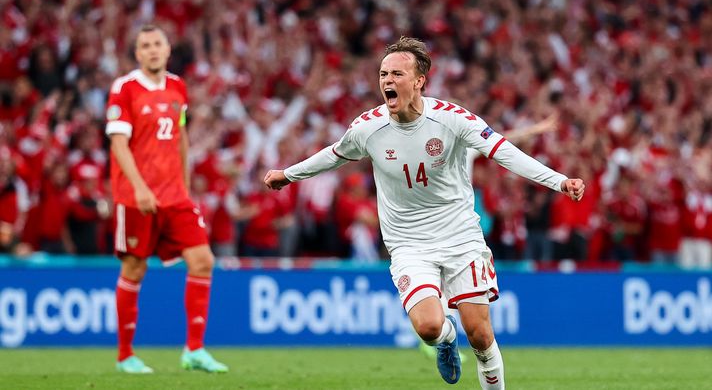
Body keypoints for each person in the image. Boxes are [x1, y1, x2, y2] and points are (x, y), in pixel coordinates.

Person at [264, 37, 584, 389]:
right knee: (430, 327)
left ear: (419, 81)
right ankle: (446, 340)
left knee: (479, 334)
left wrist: (558, 181)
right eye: (383, 74)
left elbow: (503, 151)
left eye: (397, 74)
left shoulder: (451, 119)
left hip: (460, 236)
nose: (387, 81)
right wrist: (288, 174)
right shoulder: (368, 128)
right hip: (408, 243)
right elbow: (334, 154)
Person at [105, 24, 227, 374]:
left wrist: (185, 186)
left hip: (175, 195)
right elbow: (118, 144)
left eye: (158, 43)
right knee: (134, 267)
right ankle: (125, 355)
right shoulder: (124, 89)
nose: (153, 50)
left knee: (203, 260)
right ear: (137, 53)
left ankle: (194, 350)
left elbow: (181, 135)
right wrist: (140, 187)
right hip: (135, 196)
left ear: (168, 49)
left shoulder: (177, 86)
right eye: (145, 45)